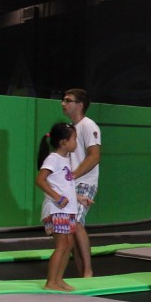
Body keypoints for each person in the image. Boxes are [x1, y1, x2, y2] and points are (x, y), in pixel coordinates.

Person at [35, 122, 88, 291]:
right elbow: (40, 180)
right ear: (64, 142)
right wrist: (57, 198)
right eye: (74, 139)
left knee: (69, 244)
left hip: (67, 210)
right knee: (62, 245)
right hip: (57, 210)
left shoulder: (65, 160)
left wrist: (79, 198)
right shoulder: (53, 159)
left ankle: (58, 279)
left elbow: (64, 185)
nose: (76, 143)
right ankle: (51, 281)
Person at [61, 88, 101, 278]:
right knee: (70, 228)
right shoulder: (70, 128)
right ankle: (81, 274)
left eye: (68, 100)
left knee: (75, 222)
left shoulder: (88, 125)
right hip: (72, 183)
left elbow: (94, 157)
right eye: (63, 100)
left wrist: (74, 176)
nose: (63, 103)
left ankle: (88, 272)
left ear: (80, 104)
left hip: (85, 182)